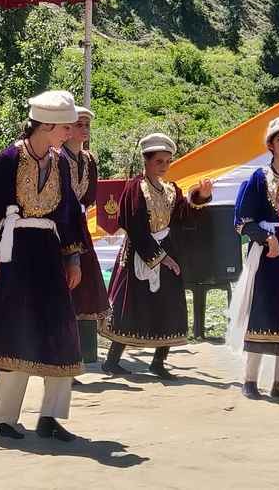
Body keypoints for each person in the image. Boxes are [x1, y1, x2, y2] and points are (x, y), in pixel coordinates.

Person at [0, 90, 85, 442]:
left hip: (49, 254)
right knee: (17, 332)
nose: (70, 133)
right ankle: (1, 417)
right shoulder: (9, 159)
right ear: (46, 125)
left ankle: (51, 417)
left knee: (61, 331)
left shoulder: (60, 163)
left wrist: (73, 258)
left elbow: (70, 215)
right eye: (66, 127)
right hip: (15, 256)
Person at [99, 133, 212, 380]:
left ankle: (159, 361)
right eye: (159, 161)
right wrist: (161, 258)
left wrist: (200, 196)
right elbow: (134, 226)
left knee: (169, 303)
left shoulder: (171, 189)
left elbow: (183, 214)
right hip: (139, 251)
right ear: (146, 160)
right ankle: (112, 361)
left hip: (166, 248)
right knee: (130, 304)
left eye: (168, 161)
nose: (164, 166)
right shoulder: (135, 188)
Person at [227, 116, 279, 399]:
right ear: (270, 145)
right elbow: (242, 221)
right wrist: (266, 238)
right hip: (266, 254)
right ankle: (250, 379)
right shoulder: (258, 178)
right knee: (260, 310)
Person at [62, 106, 110, 324]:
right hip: (62, 221)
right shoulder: (57, 156)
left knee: (87, 276)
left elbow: (90, 195)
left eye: (87, 125)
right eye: (79, 125)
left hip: (80, 221)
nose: (84, 129)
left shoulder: (89, 159)